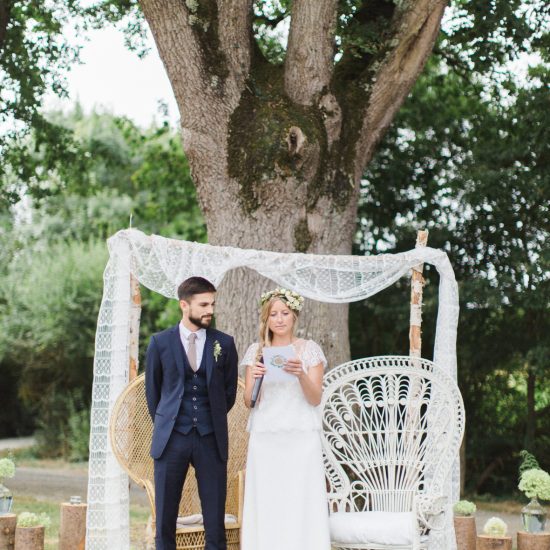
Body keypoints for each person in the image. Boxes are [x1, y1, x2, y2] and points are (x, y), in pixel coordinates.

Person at [145, 276, 239, 550]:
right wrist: (170, 423)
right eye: (203, 305)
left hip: (211, 438)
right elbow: (153, 393)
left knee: (215, 520)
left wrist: (209, 418)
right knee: (165, 519)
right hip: (171, 439)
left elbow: (228, 394)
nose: (210, 310)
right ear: (184, 305)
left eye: (212, 304)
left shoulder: (224, 343)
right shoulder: (160, 343)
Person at [241, 288, 331, 550]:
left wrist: (300, 374)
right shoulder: (257, 351)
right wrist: (256, 376)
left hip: (300, 436)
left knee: (301, 498)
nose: (279, 319)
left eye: (285, 313)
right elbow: (249, 401)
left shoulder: (309, 350)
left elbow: (315, 398)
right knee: (268, 498)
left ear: (294, 316)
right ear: (266, 318)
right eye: (273, 314)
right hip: (266, 436)